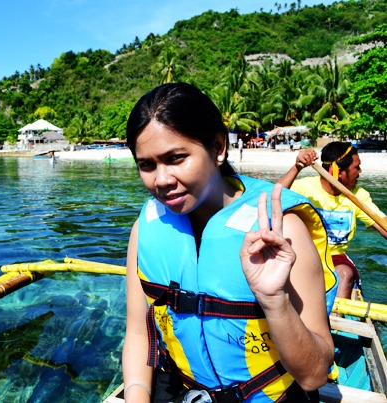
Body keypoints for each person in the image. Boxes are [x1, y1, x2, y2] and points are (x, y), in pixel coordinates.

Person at [122, 83, 335, 402]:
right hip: (185, 390)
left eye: (176, 158)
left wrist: (274, 300)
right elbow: (139, 333)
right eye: (147, 165)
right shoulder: (145, 229)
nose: (161, 180)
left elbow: (315, 374)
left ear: (219, 148)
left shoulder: (280, 229)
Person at [278, 143, 387, 299]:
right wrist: (297, 168)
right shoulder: (305, 188)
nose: (360, 172)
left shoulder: (357, 196)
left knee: (345, 273)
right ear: (340, 172)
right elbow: (273, 198)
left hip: (336, 258)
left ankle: (336, 317)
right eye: (357, 167)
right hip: (305, 253)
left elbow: (382, 223)